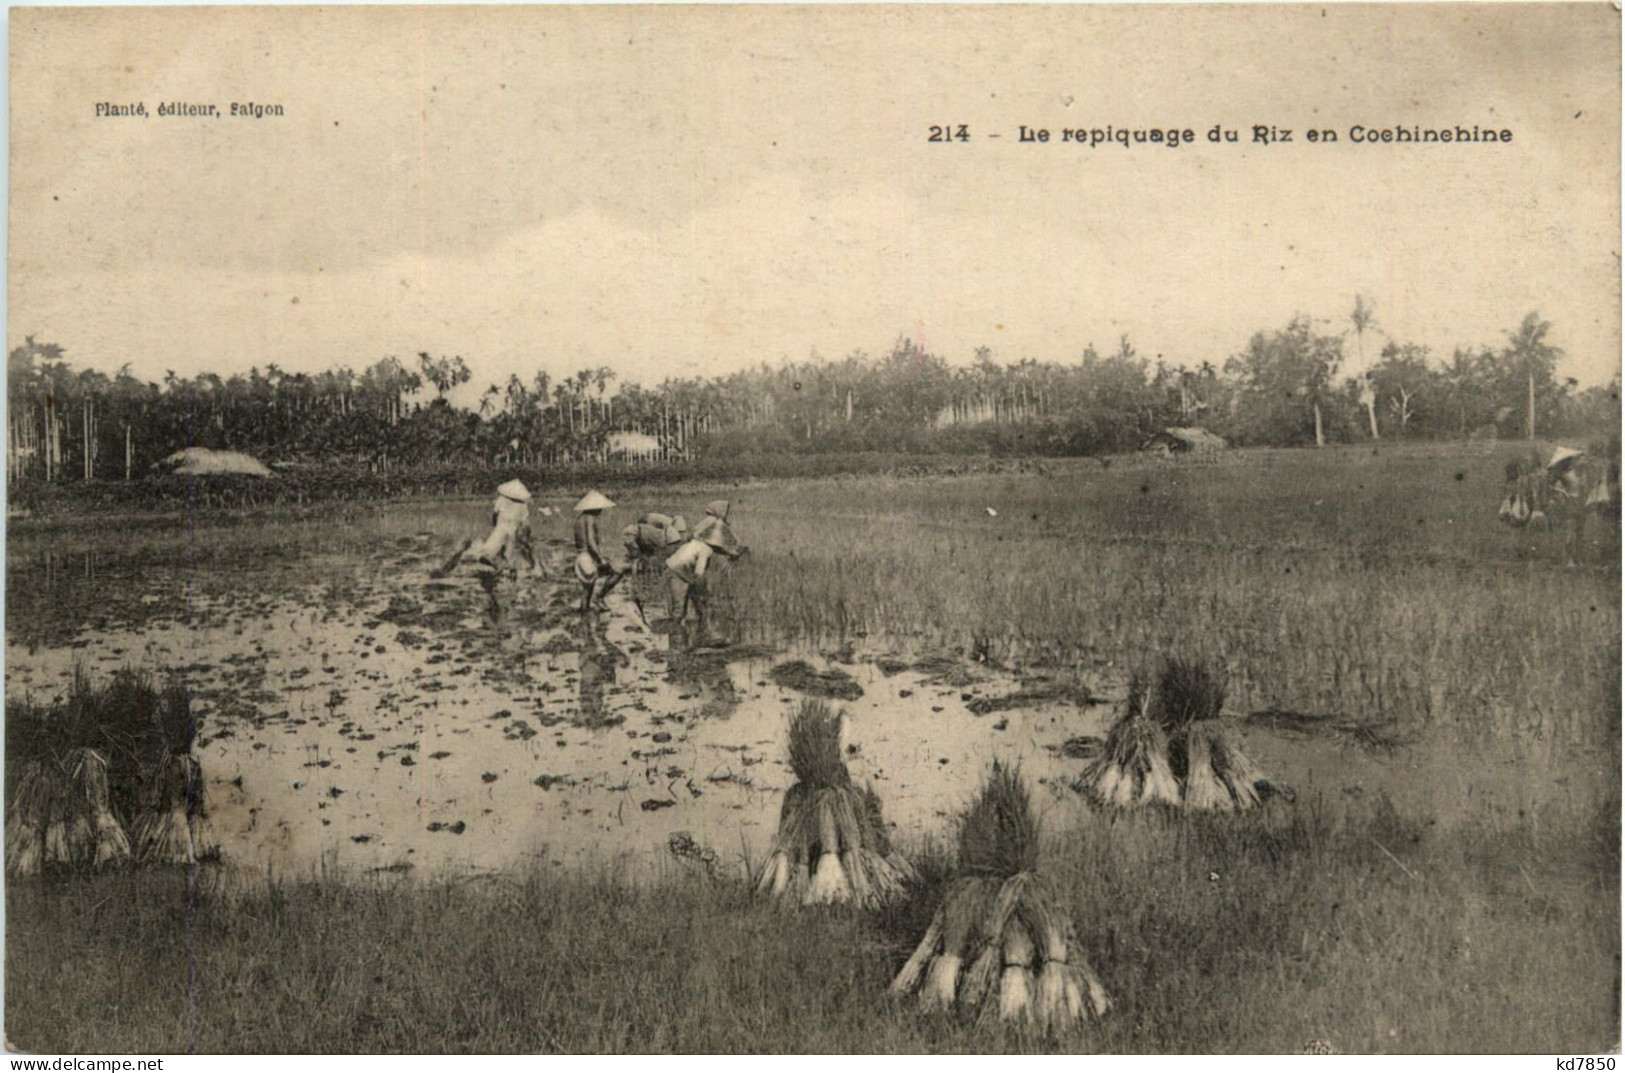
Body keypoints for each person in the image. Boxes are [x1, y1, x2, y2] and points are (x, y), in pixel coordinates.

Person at [573, 489, 624, 614]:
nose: (601, 510)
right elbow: (591, 541)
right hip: (588, 557)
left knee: (587, 590)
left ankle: (584, 616)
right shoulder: (590, 518)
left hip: (581, 558)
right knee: (617, 572)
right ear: (595, 507)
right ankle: (600, 597)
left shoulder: (579, 520)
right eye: (600, 507)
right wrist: (600, 558)